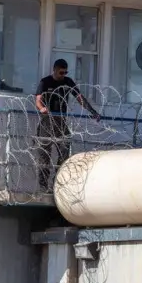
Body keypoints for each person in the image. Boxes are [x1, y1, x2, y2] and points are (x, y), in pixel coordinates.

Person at [33, 59, 100, 190]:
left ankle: (57, 182)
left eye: (65, 72)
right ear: (54, 70)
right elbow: (38, 100)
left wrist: (93, 112)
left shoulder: (67, 82)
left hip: (61, 122)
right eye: (60, 72)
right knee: (44, 156)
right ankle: (43, 187)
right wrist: (42, 108)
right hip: (47, 122)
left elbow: (80, 98)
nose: (63, 75)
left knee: (64, 150)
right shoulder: (45, 82)